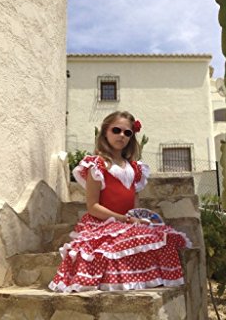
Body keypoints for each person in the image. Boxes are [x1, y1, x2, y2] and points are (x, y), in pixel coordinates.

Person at [49, 110, 191, 293]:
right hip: (102, 223)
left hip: (128, 221)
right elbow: (92, 207)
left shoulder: (135, 168)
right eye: (116, 130)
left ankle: (144, 278)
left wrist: (137, 220)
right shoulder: (97, 165)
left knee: (161, 237)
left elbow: (134, 206)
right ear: (105, 132)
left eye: (127, 132)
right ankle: (119, 280)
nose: (122, 135)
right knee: (109, 248)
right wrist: (123, 219)